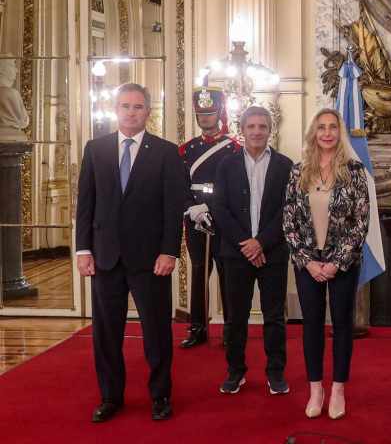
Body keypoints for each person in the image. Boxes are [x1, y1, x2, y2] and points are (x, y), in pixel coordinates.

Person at [75, 83, 185, 422]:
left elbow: (173, 207)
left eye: (138, 106)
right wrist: (83, 250)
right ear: (115, 109)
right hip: (105, 257)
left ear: (148, 111)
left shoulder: (166, 152)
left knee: (156, 332)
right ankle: (110, 397)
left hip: (151, 259)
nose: (131, 112)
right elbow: (86, 205)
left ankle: (160, 395)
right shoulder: (96, 149)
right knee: (106, 334)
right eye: (124, 106)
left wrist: (169, 251)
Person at [283, 108, 370, 420]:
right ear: (314, 133)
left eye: (333, 127)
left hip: (343, 263)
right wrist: (308, 262)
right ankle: (316, 388)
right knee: (312, 327)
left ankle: (338, 389)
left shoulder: (355, 171)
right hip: (308, 263)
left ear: (340, 131)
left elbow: (361, 223)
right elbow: (289, 220)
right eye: (321, 127)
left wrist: (337, 262)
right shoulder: (298, 171)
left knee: (342, 326)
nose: (327, 133)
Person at [210, 106, 293, 396]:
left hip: (273, 253)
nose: (257, 131)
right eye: (252, 126)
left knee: (274, 317)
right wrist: (246, 243)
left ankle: (275, 373)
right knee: (236, 318)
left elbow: (289, 211)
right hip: (236, 253)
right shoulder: (226, 165)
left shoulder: (286, 165)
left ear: (270, 130)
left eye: (263, 126)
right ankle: (235, 371)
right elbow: (219, 208)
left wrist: (262, 242)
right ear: (242, 130)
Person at [178, 87, 240, 349]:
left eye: (210, 113)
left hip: (223, 219)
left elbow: (237, 189)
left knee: (227, 274)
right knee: (199, 273)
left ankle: (230, 329)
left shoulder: (234, 148)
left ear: (220, 113)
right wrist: (193, 208)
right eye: (200, 114)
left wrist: (212, 210)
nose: (205, 119)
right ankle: (198, 328)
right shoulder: (186, 149)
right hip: (195, 218)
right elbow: (179, 186)